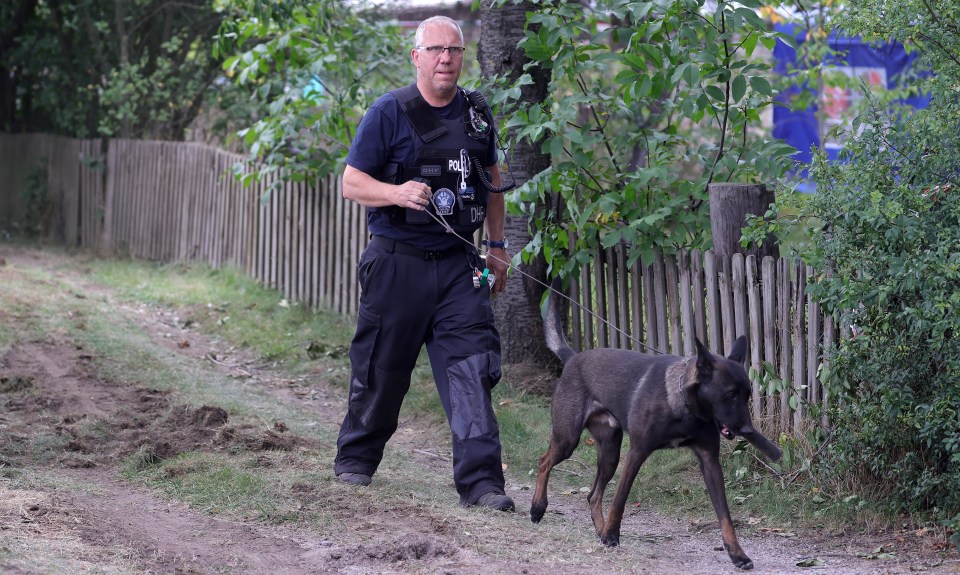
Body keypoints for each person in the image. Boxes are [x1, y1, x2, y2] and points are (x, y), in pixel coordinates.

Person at [332, 15, 514, 512]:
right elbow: (351, 182)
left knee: (471, 369)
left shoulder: (477, 114)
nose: (445, 59)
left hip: (459, 266)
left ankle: (482, 484)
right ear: (416, 56)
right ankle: (356, 460)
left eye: (454, 50)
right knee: (382, 369)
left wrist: (497, 245)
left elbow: (493, 182)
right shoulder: (389, 112)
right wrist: (395, 192)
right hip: (397, 263)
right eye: (435, 50)